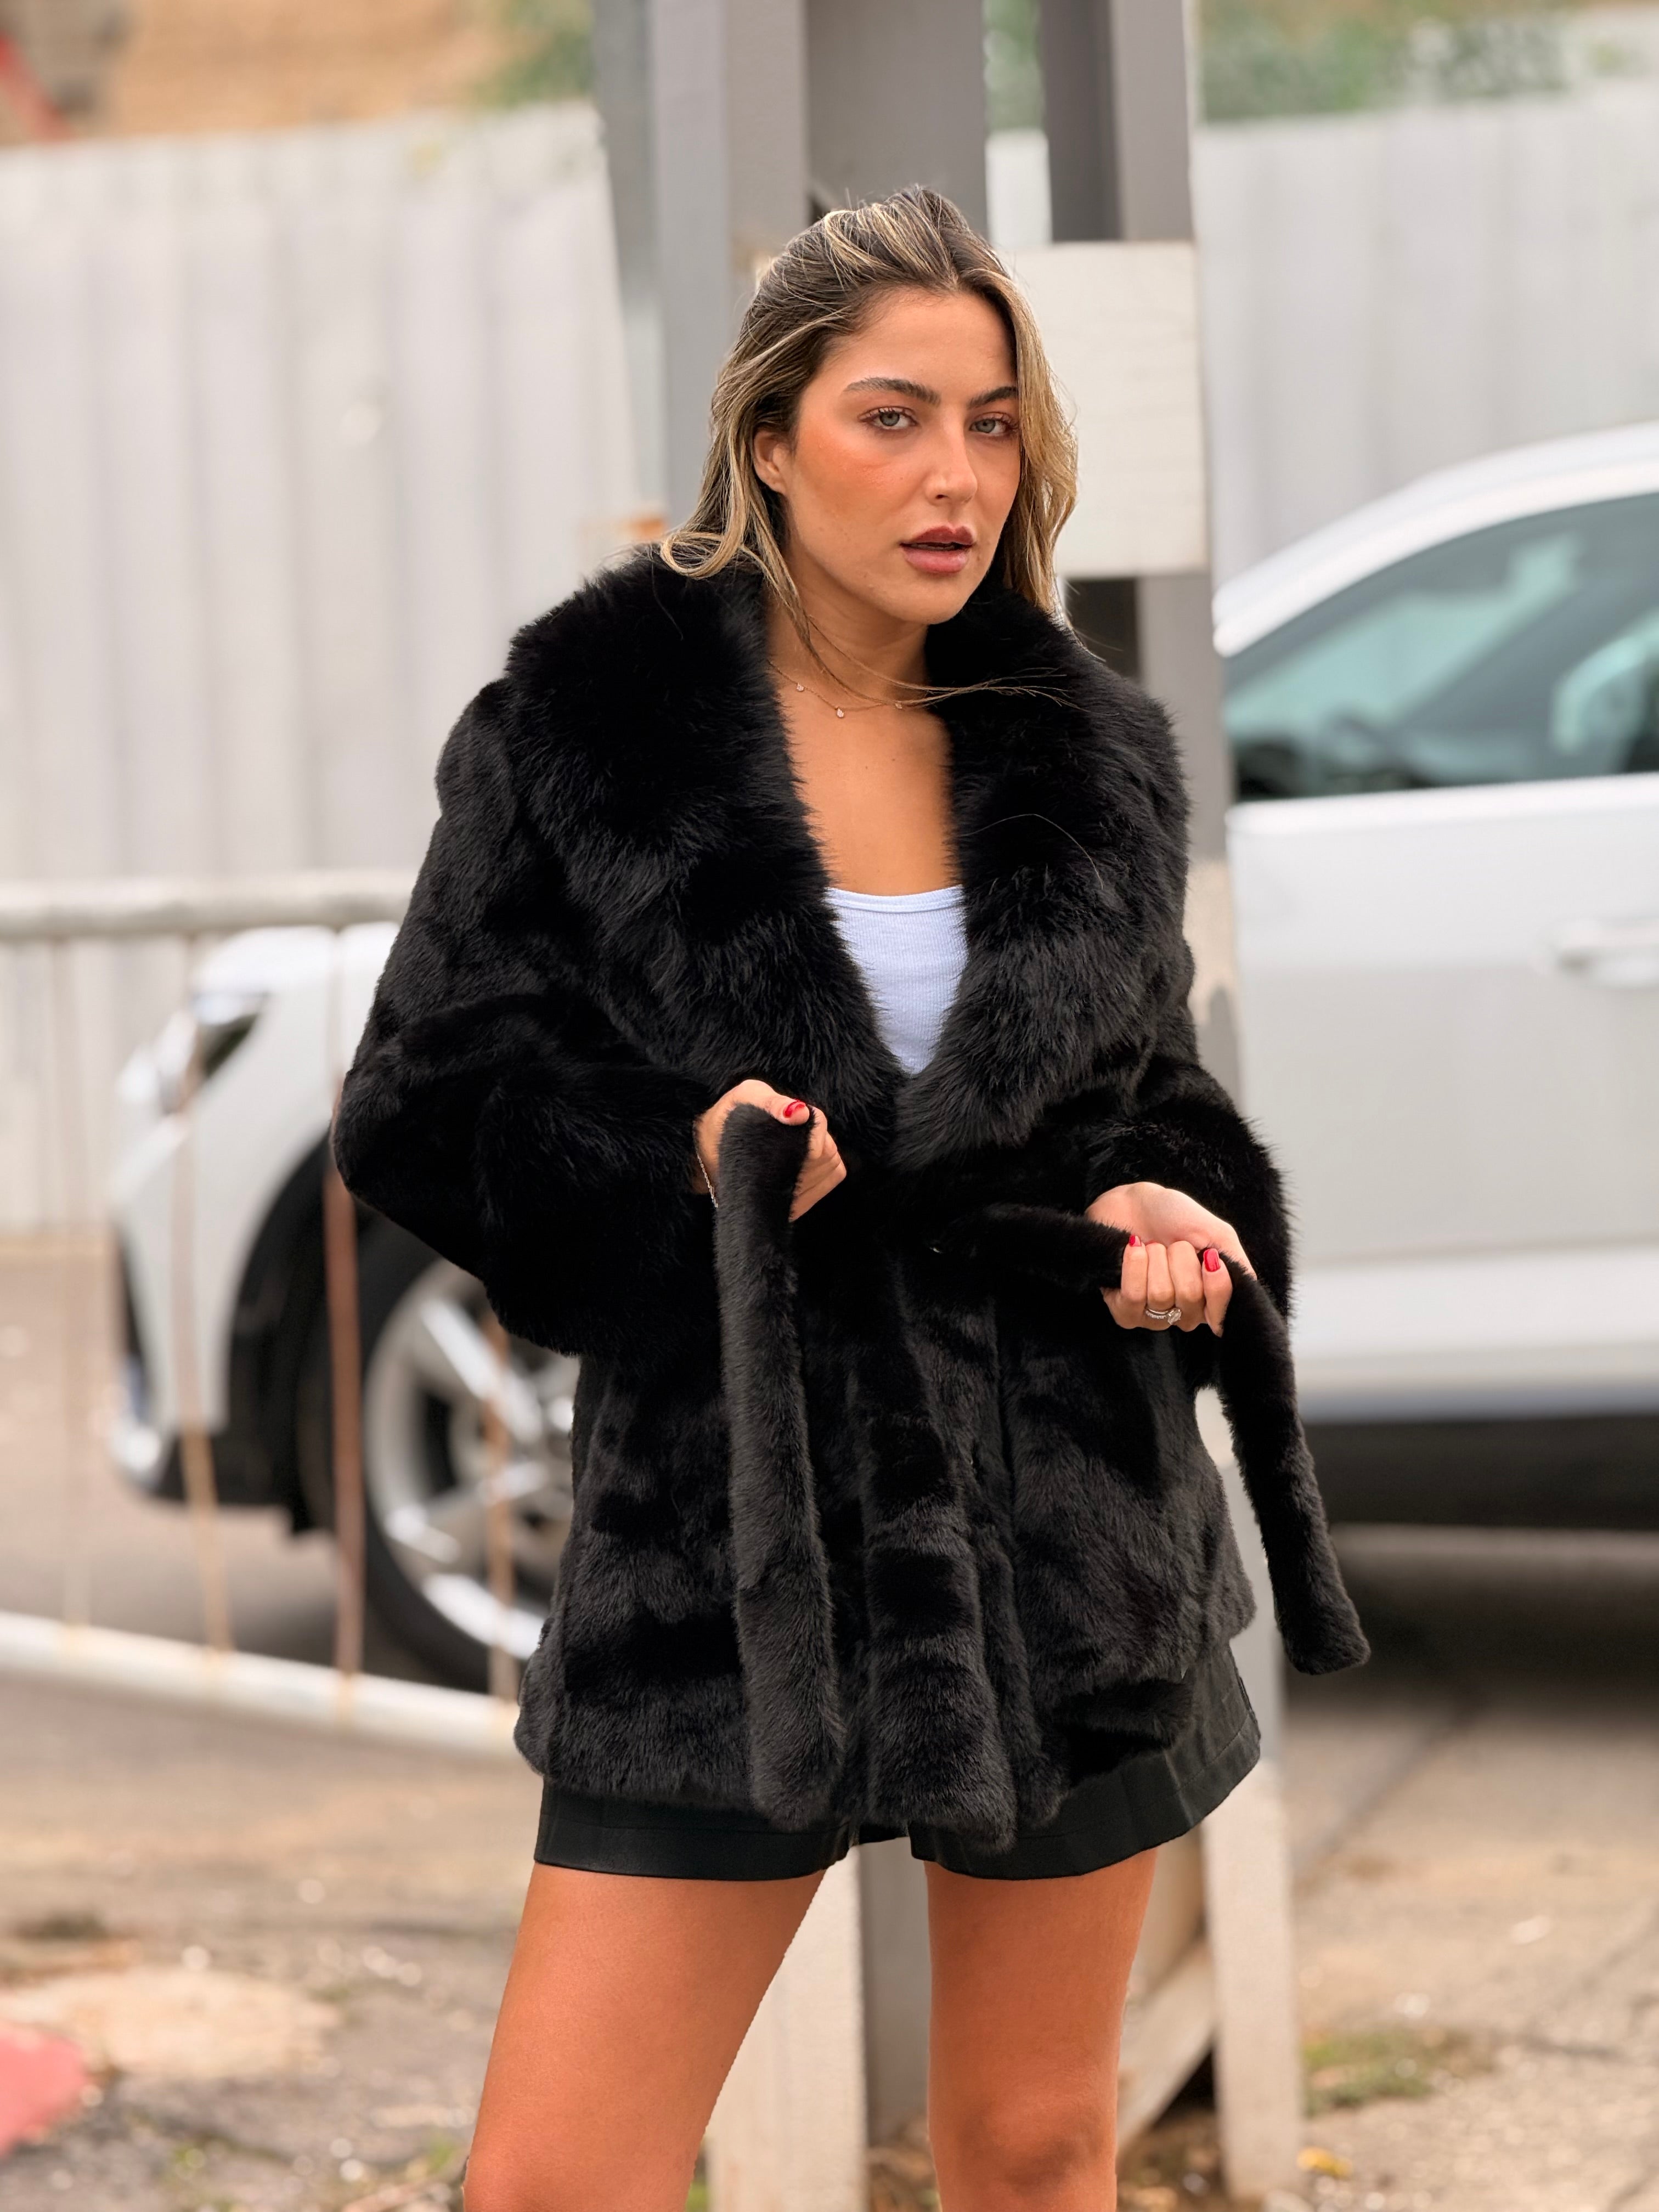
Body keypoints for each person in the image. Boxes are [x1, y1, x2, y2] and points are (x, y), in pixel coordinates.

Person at [333, 185, 1365, 2212]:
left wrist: (1168, 1204)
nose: (954, 476)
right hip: (731, 1532)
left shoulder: (1089, 749)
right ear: (772, 436)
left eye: (992, 424)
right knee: (555, 2183)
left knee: (1038, 2144)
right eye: (893, 418)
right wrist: (687, 1157)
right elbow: (422, 1102)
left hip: (1072, 1526)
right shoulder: (589, 729)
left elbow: (1147, 1093)